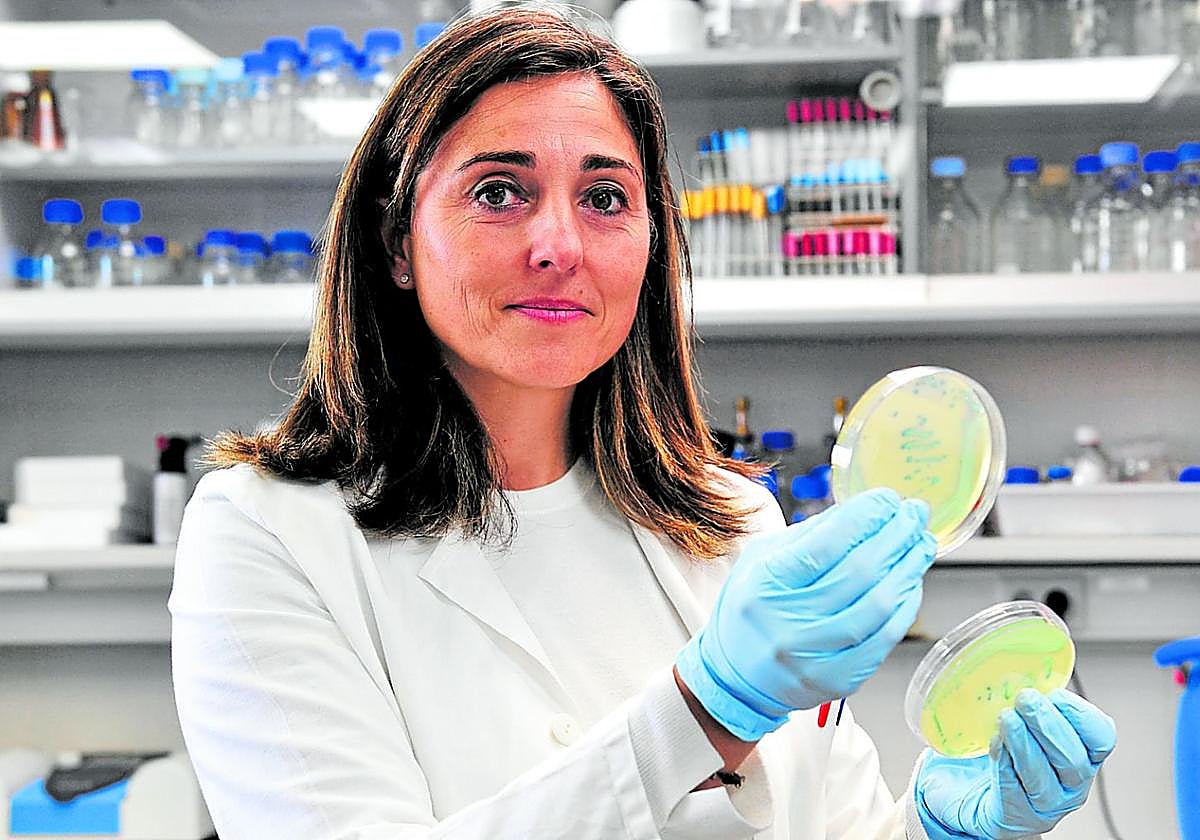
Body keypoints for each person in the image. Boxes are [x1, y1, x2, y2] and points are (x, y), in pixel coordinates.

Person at [168, 7, 1116, 839]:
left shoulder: (734, 524)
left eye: (605, 197)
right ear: (396, 244)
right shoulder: (266, 533)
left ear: (652, 242)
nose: (559, 244)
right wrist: (703, 709)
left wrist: (948, 832)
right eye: (500, 191)